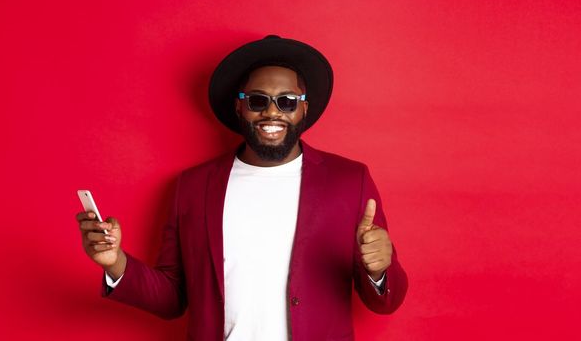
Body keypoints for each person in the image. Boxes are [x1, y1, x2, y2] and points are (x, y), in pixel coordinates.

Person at [76, 35, 408, 341]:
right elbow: (173, 299)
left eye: (287, 101)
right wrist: (115, 262)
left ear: (304, 107)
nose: (272, 112)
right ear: (240, 107)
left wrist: (379, 270)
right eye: (258, 100)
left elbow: (386, 303)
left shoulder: (350, 181)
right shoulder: (193, 186)